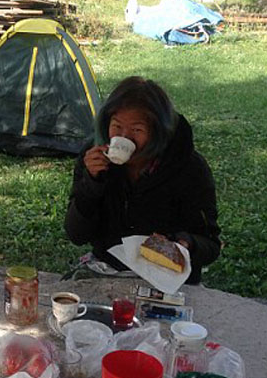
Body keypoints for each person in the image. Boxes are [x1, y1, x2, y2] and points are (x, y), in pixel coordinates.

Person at [64, 76, 220, 284]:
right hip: (108, 269)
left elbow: (210, 245)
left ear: (157, 132)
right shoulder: (94, 158)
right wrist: (91, 183)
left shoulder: (188, 168)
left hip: (166, 277)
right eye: (117, 127)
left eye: (137, 130)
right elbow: (77, 235)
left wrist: (185, 243)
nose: (124, 137)